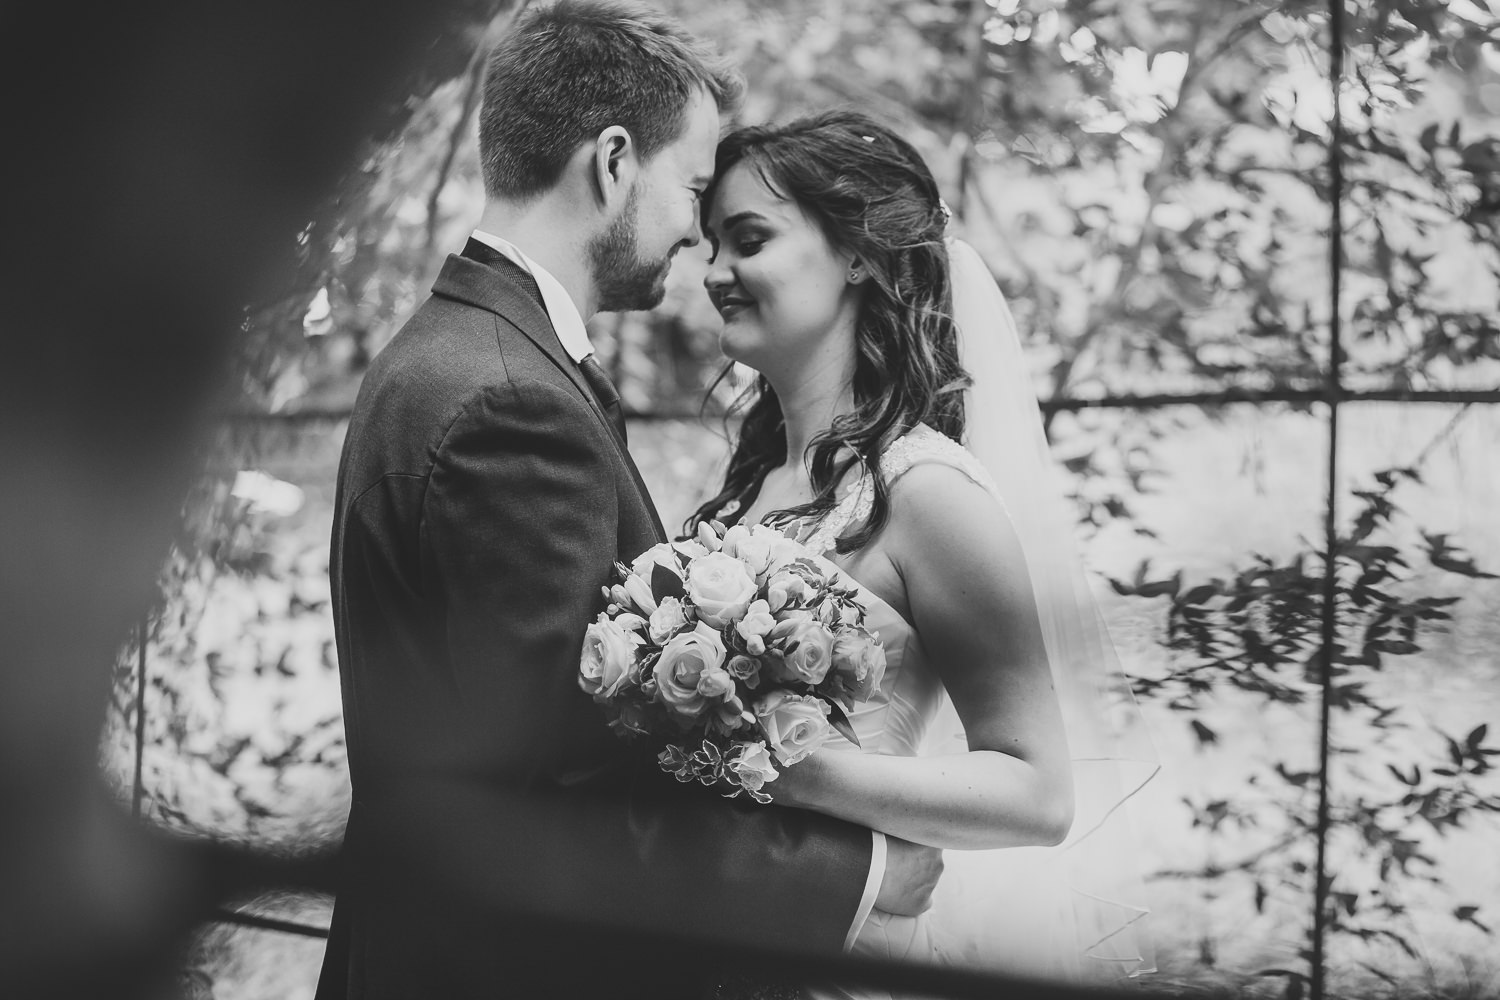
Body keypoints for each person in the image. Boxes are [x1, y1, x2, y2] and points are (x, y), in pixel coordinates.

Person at [317, 5, 945, 998]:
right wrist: (853, 876)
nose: (698, 240)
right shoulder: (510, 402)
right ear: (613, 162)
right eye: (693, 191)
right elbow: (550, 798)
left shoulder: (441, 353)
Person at [694, 110, 1159, 997]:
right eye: (709, 246)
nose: (715, 273)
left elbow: (1038, 793)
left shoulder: (929, 496)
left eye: (746, 240)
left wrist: (800, 771)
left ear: (860, 258)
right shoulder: (746, 488)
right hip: (724, 934)